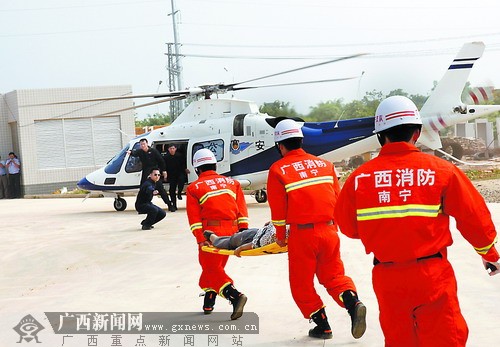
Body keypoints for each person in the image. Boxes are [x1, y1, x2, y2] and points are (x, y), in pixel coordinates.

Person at [334, 95, 500, 347]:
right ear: (417, 132)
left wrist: (384, 232)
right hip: (432, 276)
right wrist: (488, 252)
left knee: (399, 340)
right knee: (445, 337)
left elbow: (347, 226)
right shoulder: (441, 170)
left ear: (380, 136)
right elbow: (473, 215)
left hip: (387, 278)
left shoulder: (360, 178)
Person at [266, 119, 366, 340]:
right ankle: (352, 302)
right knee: (333, 276)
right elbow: (337, 199)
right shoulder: (325, 165)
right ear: (301, 141)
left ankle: (322, 325)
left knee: (301, 284)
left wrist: (281, 237)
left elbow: (279, 211)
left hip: (303, 235)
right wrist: (335, 226)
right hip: (329, 231)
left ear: (280, 145)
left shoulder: (278, 169)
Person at [186, 148, 249, 320]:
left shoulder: (194, 188)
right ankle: (209, 301)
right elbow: (242, 210)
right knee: (215, 269)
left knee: (210, 270)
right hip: (233, 234)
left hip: (211, 234)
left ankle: (235, 296)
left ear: (197, 169)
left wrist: (200, 239)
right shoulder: (232, 183)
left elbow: (195, 220)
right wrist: (242, 233)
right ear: (215, 165)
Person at [203, 222, 284, 257]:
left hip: (255, 232)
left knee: (231, 241)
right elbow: (254, 244)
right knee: (227, 244)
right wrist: (240, 249)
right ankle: (211, 236)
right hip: (249, 238)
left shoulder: (288, 226)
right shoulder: (275, 237)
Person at [163, 144, 189, 212]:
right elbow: (164, 166)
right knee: (172, 190)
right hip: (171, 175)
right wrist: (165, 174)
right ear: (168, 149)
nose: (172, 150)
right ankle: (174, 205)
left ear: (175, 149)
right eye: (170, 148)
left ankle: (179, 193)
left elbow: (184, 164)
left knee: (182, 180)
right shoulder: (166, 157)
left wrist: (185, 169)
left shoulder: (180, 156)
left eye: (173, 148)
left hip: (180, 172)